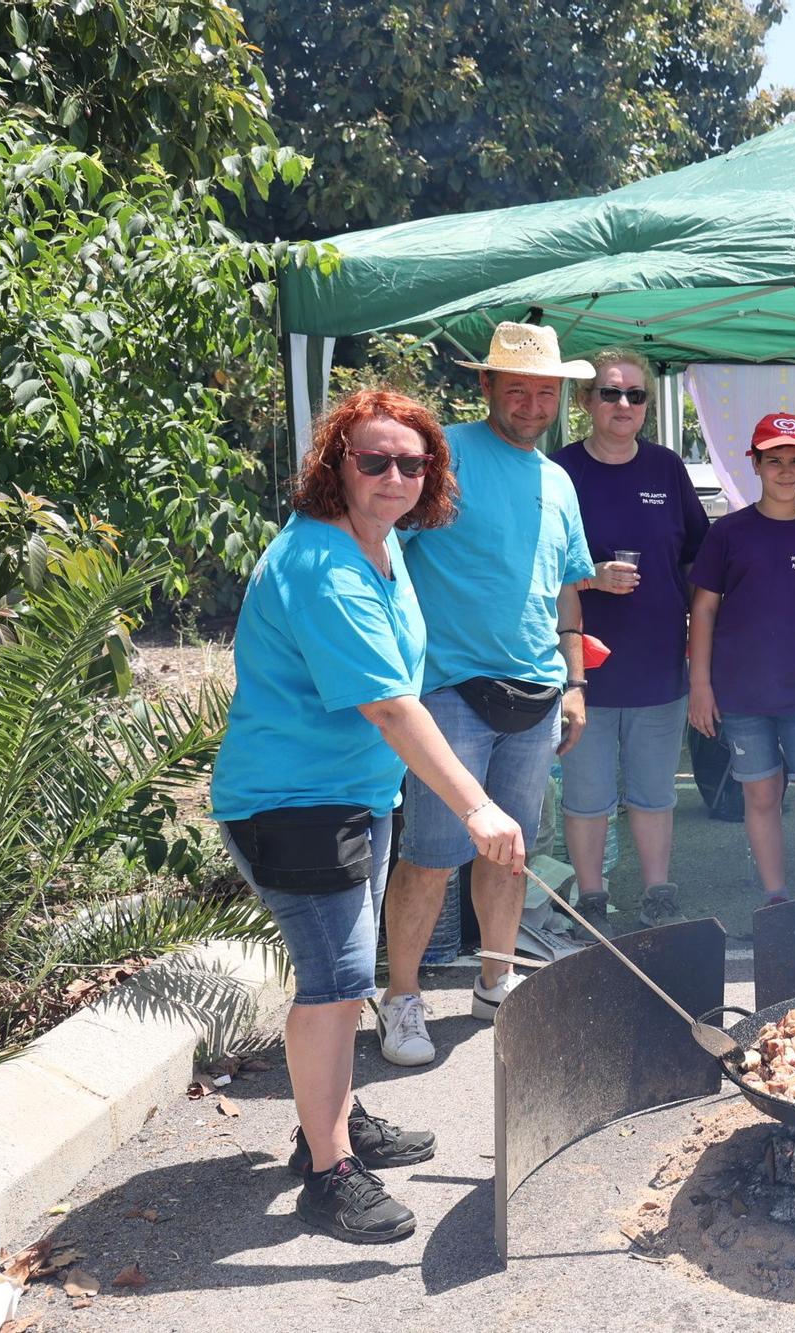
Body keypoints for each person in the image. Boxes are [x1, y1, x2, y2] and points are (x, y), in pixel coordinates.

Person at [211, 389, 526, 1242]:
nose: (395, 475)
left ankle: (334, 1120)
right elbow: (390, 704)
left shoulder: (381, 546)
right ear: (336, 466)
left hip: (352, 797)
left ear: (432, 473)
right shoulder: (324, 565)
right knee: (336, 986)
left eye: (412, 462)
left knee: (344, 982)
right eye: (374, 459)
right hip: (294, 804)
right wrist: (477, 804)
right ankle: (326, 1170)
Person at [377, 322, 596, 1068]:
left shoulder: (558, 478)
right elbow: (382, 552)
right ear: (487, 387)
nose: (531, 404)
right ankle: (401, 997)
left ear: (560, 394)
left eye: (544, 391)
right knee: (432, 853)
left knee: (511, 853)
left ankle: (496, 980)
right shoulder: (442, 457)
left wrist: (576, 681)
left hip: (537, 690)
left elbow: (566, 588)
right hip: (448, 689)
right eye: (517, 389)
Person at [551, 348, 708, 920]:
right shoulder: (561, 470)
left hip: (658, 661)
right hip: (582, 668)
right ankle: (592, 898)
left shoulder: (666, 468)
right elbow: (537, 565)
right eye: (611, 393)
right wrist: (591, 578)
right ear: (588, 402)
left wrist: (706, 641)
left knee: (654, 791)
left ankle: (657, 892)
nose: (624, 404)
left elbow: (697, 557)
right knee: (587, 796)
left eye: (635, 395)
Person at [689, 414, 795, 901]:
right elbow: (703, 610)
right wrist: (699, 686)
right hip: (740, 698)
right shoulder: (728, 533)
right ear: (755, 465)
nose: (785, 470)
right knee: (760, 797)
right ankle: (776, 900)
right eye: (774, 460)